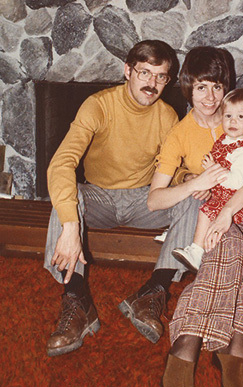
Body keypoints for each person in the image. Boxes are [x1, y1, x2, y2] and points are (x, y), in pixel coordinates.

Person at [146, 46, 243, 387]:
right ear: (188, 89)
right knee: (226, 246)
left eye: (217, 87)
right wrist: (196, 184)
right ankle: (188, 340)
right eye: (201, 87)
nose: (210, 98)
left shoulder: (238, 117)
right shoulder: (180, 133)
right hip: (208, 208)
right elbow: (154, 199)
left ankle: (237, 342)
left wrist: (228, 215)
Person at [44, 39, 181, 357]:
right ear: (127, 71)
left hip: (144, 200)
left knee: (193, 199)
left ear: (167, 80)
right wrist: (69, 226)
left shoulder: (168, 117)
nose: (152, 83)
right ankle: (77, 301)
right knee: (67, 195)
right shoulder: (99, 105)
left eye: (160, 76)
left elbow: (176, 172)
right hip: (99, 198)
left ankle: (152, 292)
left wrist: (192, 180)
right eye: (145, 73)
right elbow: (62, 162)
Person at [172, 88, 243, 272]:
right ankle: (179, 235)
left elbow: (236, 182)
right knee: (195, 200)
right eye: (228, 115)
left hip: (239, 202)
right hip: (223, 193)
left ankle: (197, 252)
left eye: (240, 117)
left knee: (206, 210)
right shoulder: (228, 139)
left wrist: (214, 169)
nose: (233, 121)